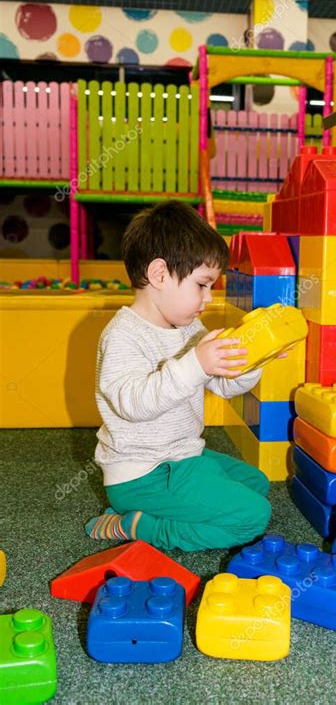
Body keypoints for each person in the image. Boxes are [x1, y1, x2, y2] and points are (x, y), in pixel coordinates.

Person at [85, 201, 278, 551]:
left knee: (256, 483)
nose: (207, 298)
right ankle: (140, 525)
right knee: (253, 516)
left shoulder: (188, 327)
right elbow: (134, 404)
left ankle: (164, 508)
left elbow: (222, 385)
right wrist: (195, 364)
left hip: (181, 457)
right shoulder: (123, 335)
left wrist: (254, 359)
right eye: (202, 285)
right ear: (159, 275)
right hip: (143, 474)